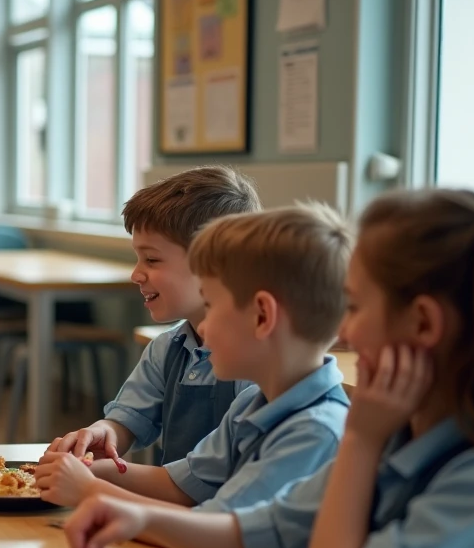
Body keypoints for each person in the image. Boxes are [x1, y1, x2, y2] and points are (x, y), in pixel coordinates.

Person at [62, 189, 474, 548]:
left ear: (424, 325)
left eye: (355, 307)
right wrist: (133, 513)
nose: (347, 331)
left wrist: (359, 442)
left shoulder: (472, 478)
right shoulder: (398, 436)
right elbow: (255, 531)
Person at [37, 205, 351, 517]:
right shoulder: (251, 402)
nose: (202, 325)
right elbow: (185, 485)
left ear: (262, 316)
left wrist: (93, 491)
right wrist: (93, 472)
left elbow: (219, 530)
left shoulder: (314, 430)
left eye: (211, 305)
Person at [49, 168, 261, 469]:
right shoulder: (166, 348)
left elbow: (211, 480)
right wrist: (102, 433)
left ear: (216, 264)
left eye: (152, 259)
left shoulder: (255, 362)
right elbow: (127, 421)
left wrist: (102, 480)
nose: (136, 274)